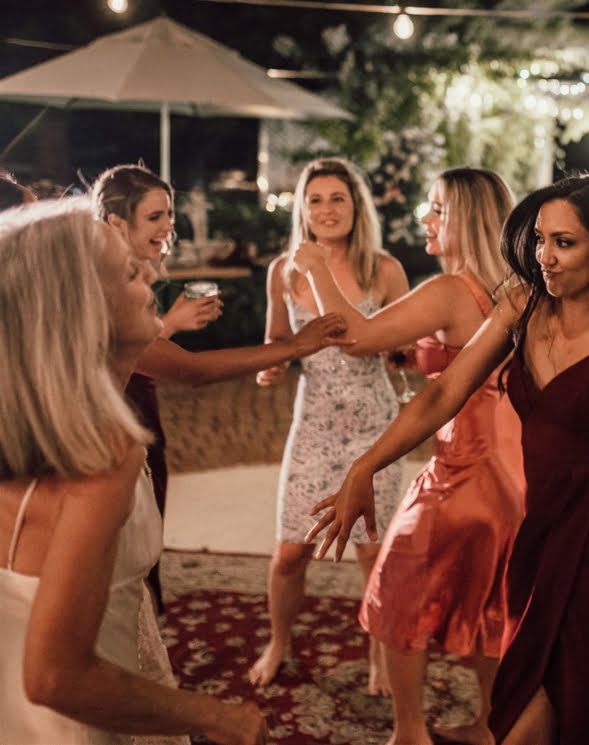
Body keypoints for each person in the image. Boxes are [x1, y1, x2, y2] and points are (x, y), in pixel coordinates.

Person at [306, 175, 589, 745]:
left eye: (564, 243)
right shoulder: (522, 306)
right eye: (541, 239)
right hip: (538, 539)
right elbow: (443, 396)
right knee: (524, 709)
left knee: (584, 718)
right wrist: (363, 467)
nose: (545, 256)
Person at [0, 197, 267, 745]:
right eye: (128, 272)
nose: (150, 274)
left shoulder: (36, 421)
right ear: (81, 310)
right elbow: (55, 676)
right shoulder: (102, 449)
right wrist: (217, 717)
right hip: (69, 723)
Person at [293, 166, 524, 744]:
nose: (425, 217)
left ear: (467, 220)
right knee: (490, 601)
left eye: (437, 208)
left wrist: (316, 266)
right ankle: (491, 725)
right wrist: (416, 357)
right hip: (516, 468)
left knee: (397, 592)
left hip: (464, 468)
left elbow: (354, 337)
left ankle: (408, 733)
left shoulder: (449, 291)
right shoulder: (517, 288)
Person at [91, 164, 350, 612]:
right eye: (155, 216)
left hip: (138, 420)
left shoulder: (122, 281)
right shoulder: (102, 289)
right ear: (116, 222)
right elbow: (192, 371)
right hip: (110, 431)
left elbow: (136, 352)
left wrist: (167, 325)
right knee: (117, 560)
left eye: (169, 214)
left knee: (141, 549)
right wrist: (296, 346)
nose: (169, 226)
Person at [247, 157, 409, 687]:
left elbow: (403, 346)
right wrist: (272, 364)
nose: (326, 209)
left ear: (356, 206)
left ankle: (379, 653)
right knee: (289, 553)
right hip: (314, 425)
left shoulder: (384, 270)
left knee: (373, 552)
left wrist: (399, 351)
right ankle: (279, 642)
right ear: (302, 209)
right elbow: (278, 340)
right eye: (314, 199)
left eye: (337, 198)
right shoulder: (283, 271)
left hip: (375, 425)